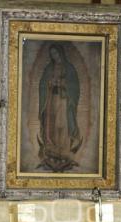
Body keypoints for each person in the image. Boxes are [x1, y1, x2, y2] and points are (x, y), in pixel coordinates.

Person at [38, 43, 82, 172]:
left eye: (56, 53)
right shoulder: (48, 68)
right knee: (50, 124)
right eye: (52, 54)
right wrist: (49, 84)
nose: (54, 56)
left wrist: (63, 84)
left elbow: (75, 86)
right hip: (51, 99)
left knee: (62, 123)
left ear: (61, 53)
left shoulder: (69, 68)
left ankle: (63, 149)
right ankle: (51, 147)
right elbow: (42, 84)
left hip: (64, 100)